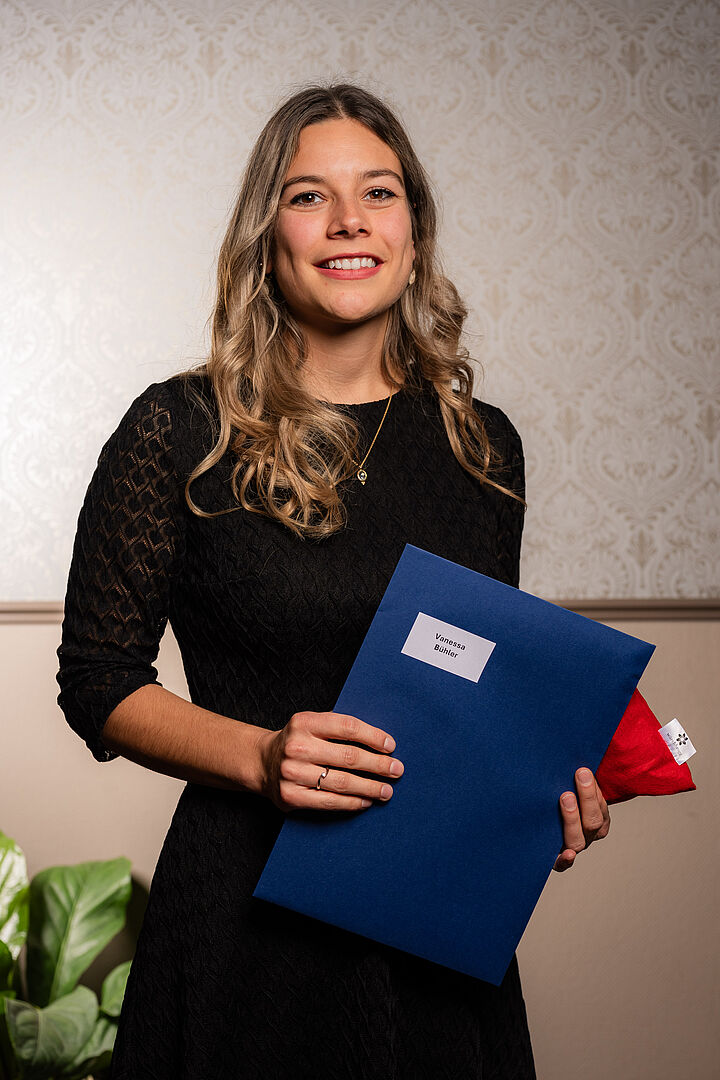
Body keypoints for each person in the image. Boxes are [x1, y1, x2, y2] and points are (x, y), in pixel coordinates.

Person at [57, 82, 610, 1080]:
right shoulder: (178, 429)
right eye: (310, 195)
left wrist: (546, 789)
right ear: (266, 236)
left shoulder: (483, 446)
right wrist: (260, 756)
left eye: (379, 192)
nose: (350, 219)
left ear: (414, 233)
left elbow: (475, 685)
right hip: (240, 923)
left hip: (435, 928)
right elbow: (98, 680)